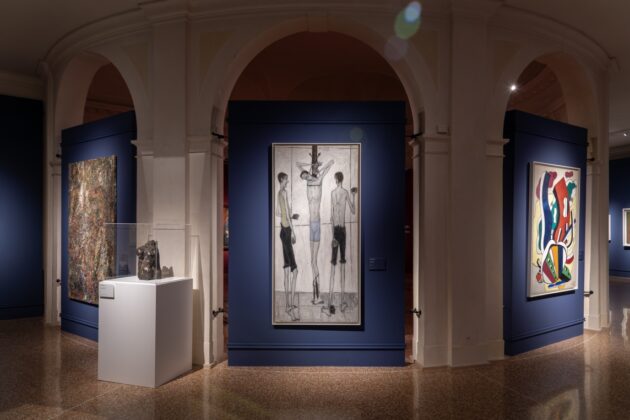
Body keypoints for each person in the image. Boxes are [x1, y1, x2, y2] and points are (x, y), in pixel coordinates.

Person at [296, 159, 334, 304]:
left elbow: (327, 168)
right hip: (311, 224)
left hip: (316, 224)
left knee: (314, 261)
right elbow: (298, 165)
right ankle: (316, 296)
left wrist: (325, 165)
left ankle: (317, 296)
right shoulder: (309, 183)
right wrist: (310, 165)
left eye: (306, 176)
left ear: (310, 174)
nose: (305, 178)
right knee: (312, 261)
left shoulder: (318, 181)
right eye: (304, 177)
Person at [323, 171, 357, 315]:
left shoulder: (333, 193)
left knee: (333, 265)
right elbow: (353, 210)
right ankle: (342, 303)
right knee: (342, 264)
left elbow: (331, 217)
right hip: (343, 230)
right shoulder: (345, 193)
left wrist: (332, 237)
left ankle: (330, 302)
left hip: (336, 231)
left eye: (334, 178)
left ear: (336, 179)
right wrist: (353, 196)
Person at [276, 172, 299, 321]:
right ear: (282, 180)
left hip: (282, 231)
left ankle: (288, 305)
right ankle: (289, 307)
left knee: (287, 269)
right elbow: (286, 211)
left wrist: (289, 217)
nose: (287, 182)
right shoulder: (283, 193)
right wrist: (293, 231)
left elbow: (279, 212)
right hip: (287, 231)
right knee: (293, 270)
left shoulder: (279, 193)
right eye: (286, 180)